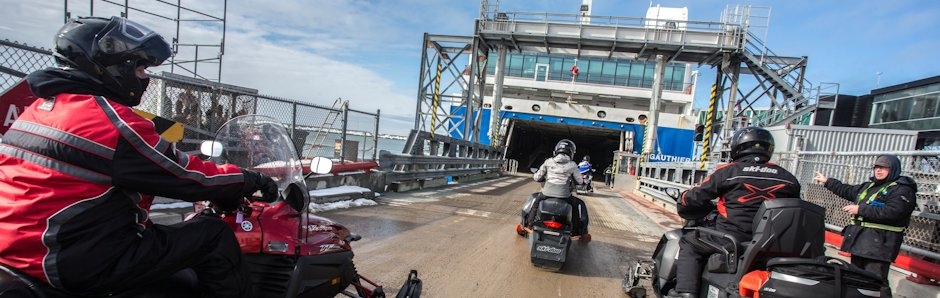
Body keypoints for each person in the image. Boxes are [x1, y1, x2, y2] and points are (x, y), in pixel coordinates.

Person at [0, 16, 277, 297]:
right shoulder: (109, 121)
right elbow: (187, 176)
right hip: (71, 258)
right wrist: (249, 179)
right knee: (212, 235)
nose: (145, 78)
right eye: (142, 69)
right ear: (114, 66)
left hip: (22, 245)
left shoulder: (40, 109)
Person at [668, 127, 801, 298]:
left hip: (732, 238)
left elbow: (695, 196)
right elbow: (794, 207)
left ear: (738, 147)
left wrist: (684, 198)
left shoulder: (729, 171)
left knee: (689, 242)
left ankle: (685, 293)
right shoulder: (788, 178)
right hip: (772, 243)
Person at [813, 155, 917, 294]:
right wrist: (827, 181)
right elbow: (847, 190)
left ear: (893, 169)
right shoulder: (870, 186)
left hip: (880, 244)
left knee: (876, 281)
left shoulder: (902, 190)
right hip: (861, 241)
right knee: (858, 278)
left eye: (884, 168)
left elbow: (894, 212)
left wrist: (860, 209)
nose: (879, 171)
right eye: (877, 167)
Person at [527, 139, 591, 240]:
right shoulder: (573, 165)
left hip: (546, 193)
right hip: (564, 196)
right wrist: (582, 181)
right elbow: (579, 181)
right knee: (577, 205)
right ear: (571, 152)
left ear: (556, 150)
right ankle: (577, 231)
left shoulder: (548, 162)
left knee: (535, 203)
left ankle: (529, 224)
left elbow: (537, 177)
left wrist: (537, 176)